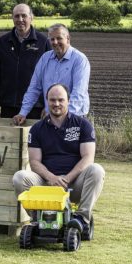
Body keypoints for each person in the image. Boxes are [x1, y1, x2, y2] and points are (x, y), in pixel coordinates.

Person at [12, 83, 104, 235]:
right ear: (47, 101)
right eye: (52, 100)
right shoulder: (37, 129)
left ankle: (81, 219)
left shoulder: (83, 125)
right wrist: (51, 178)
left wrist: (66, 179)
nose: (56, 104)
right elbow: (34, 162)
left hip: (74, 184)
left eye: (61, 100)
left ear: (68, 101)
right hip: (47, 183)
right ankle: (37, 219)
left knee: (96, 170)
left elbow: (88, 157)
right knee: (19, 177)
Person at [13, 24, 90, 125]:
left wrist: (62, 118)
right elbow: (34, 88)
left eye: (59, 38)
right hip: (52, 118)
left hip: (74, 117)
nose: (55, 42)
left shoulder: (79, 60)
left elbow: (78, 94)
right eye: (52, 39)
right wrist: (23, 113)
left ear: (68, 38)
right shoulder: (45, 58)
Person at [0, 4, 51, 119]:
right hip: (8, 105)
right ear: (12, 18)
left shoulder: (43, 42)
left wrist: (47, 105)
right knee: (8, 137)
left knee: (33, 137)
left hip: (36, 107)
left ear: (31, 17)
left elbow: (50, 76)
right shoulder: (3, 41)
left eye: (24, 16)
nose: (20, 20)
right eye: (17, 16)